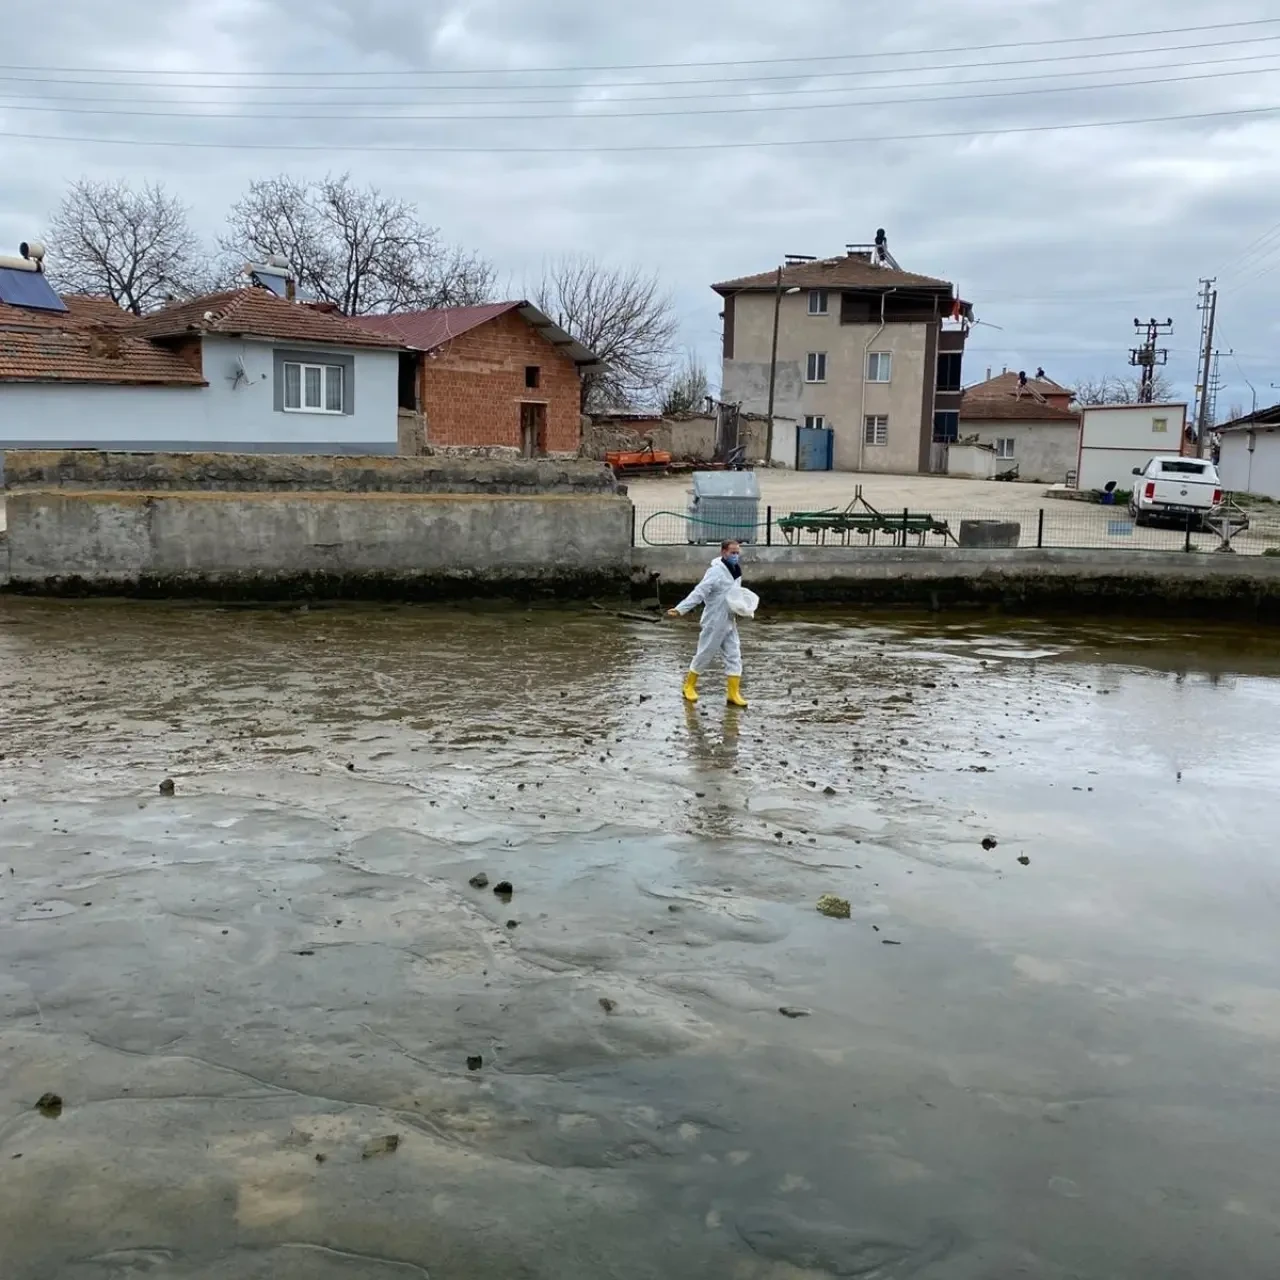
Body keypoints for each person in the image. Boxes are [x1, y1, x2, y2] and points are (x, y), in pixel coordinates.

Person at [667, 539, 749, 708]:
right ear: (723, 552)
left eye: (737, 553)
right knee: (705, 652)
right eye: (732, 553)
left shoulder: (736, 570)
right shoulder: (715, 572)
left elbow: (735, 593)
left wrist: (742, 608)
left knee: (734, 654)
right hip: (714, 619)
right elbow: (700, 592)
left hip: (729, 618)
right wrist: (681, 609)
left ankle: (733, 693)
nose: (735, 556)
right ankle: (689, 686)